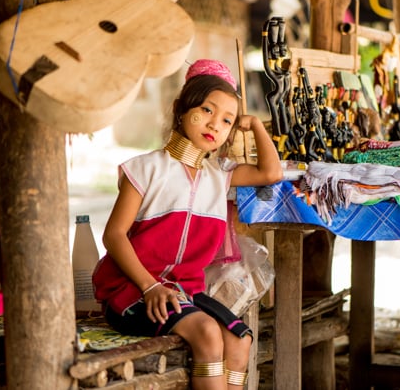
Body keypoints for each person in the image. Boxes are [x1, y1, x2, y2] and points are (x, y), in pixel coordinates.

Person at [92, 59, 283, 389]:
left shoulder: (219, 175)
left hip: (184, 293)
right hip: (132, 291)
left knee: (241, 339)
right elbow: (114, 235)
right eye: (207, 110)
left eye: (227, 120)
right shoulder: (145, 169)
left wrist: (256, 127)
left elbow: (271, 173)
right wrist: (149, 287)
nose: (215, 125)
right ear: (181, 109)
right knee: (208, 333)